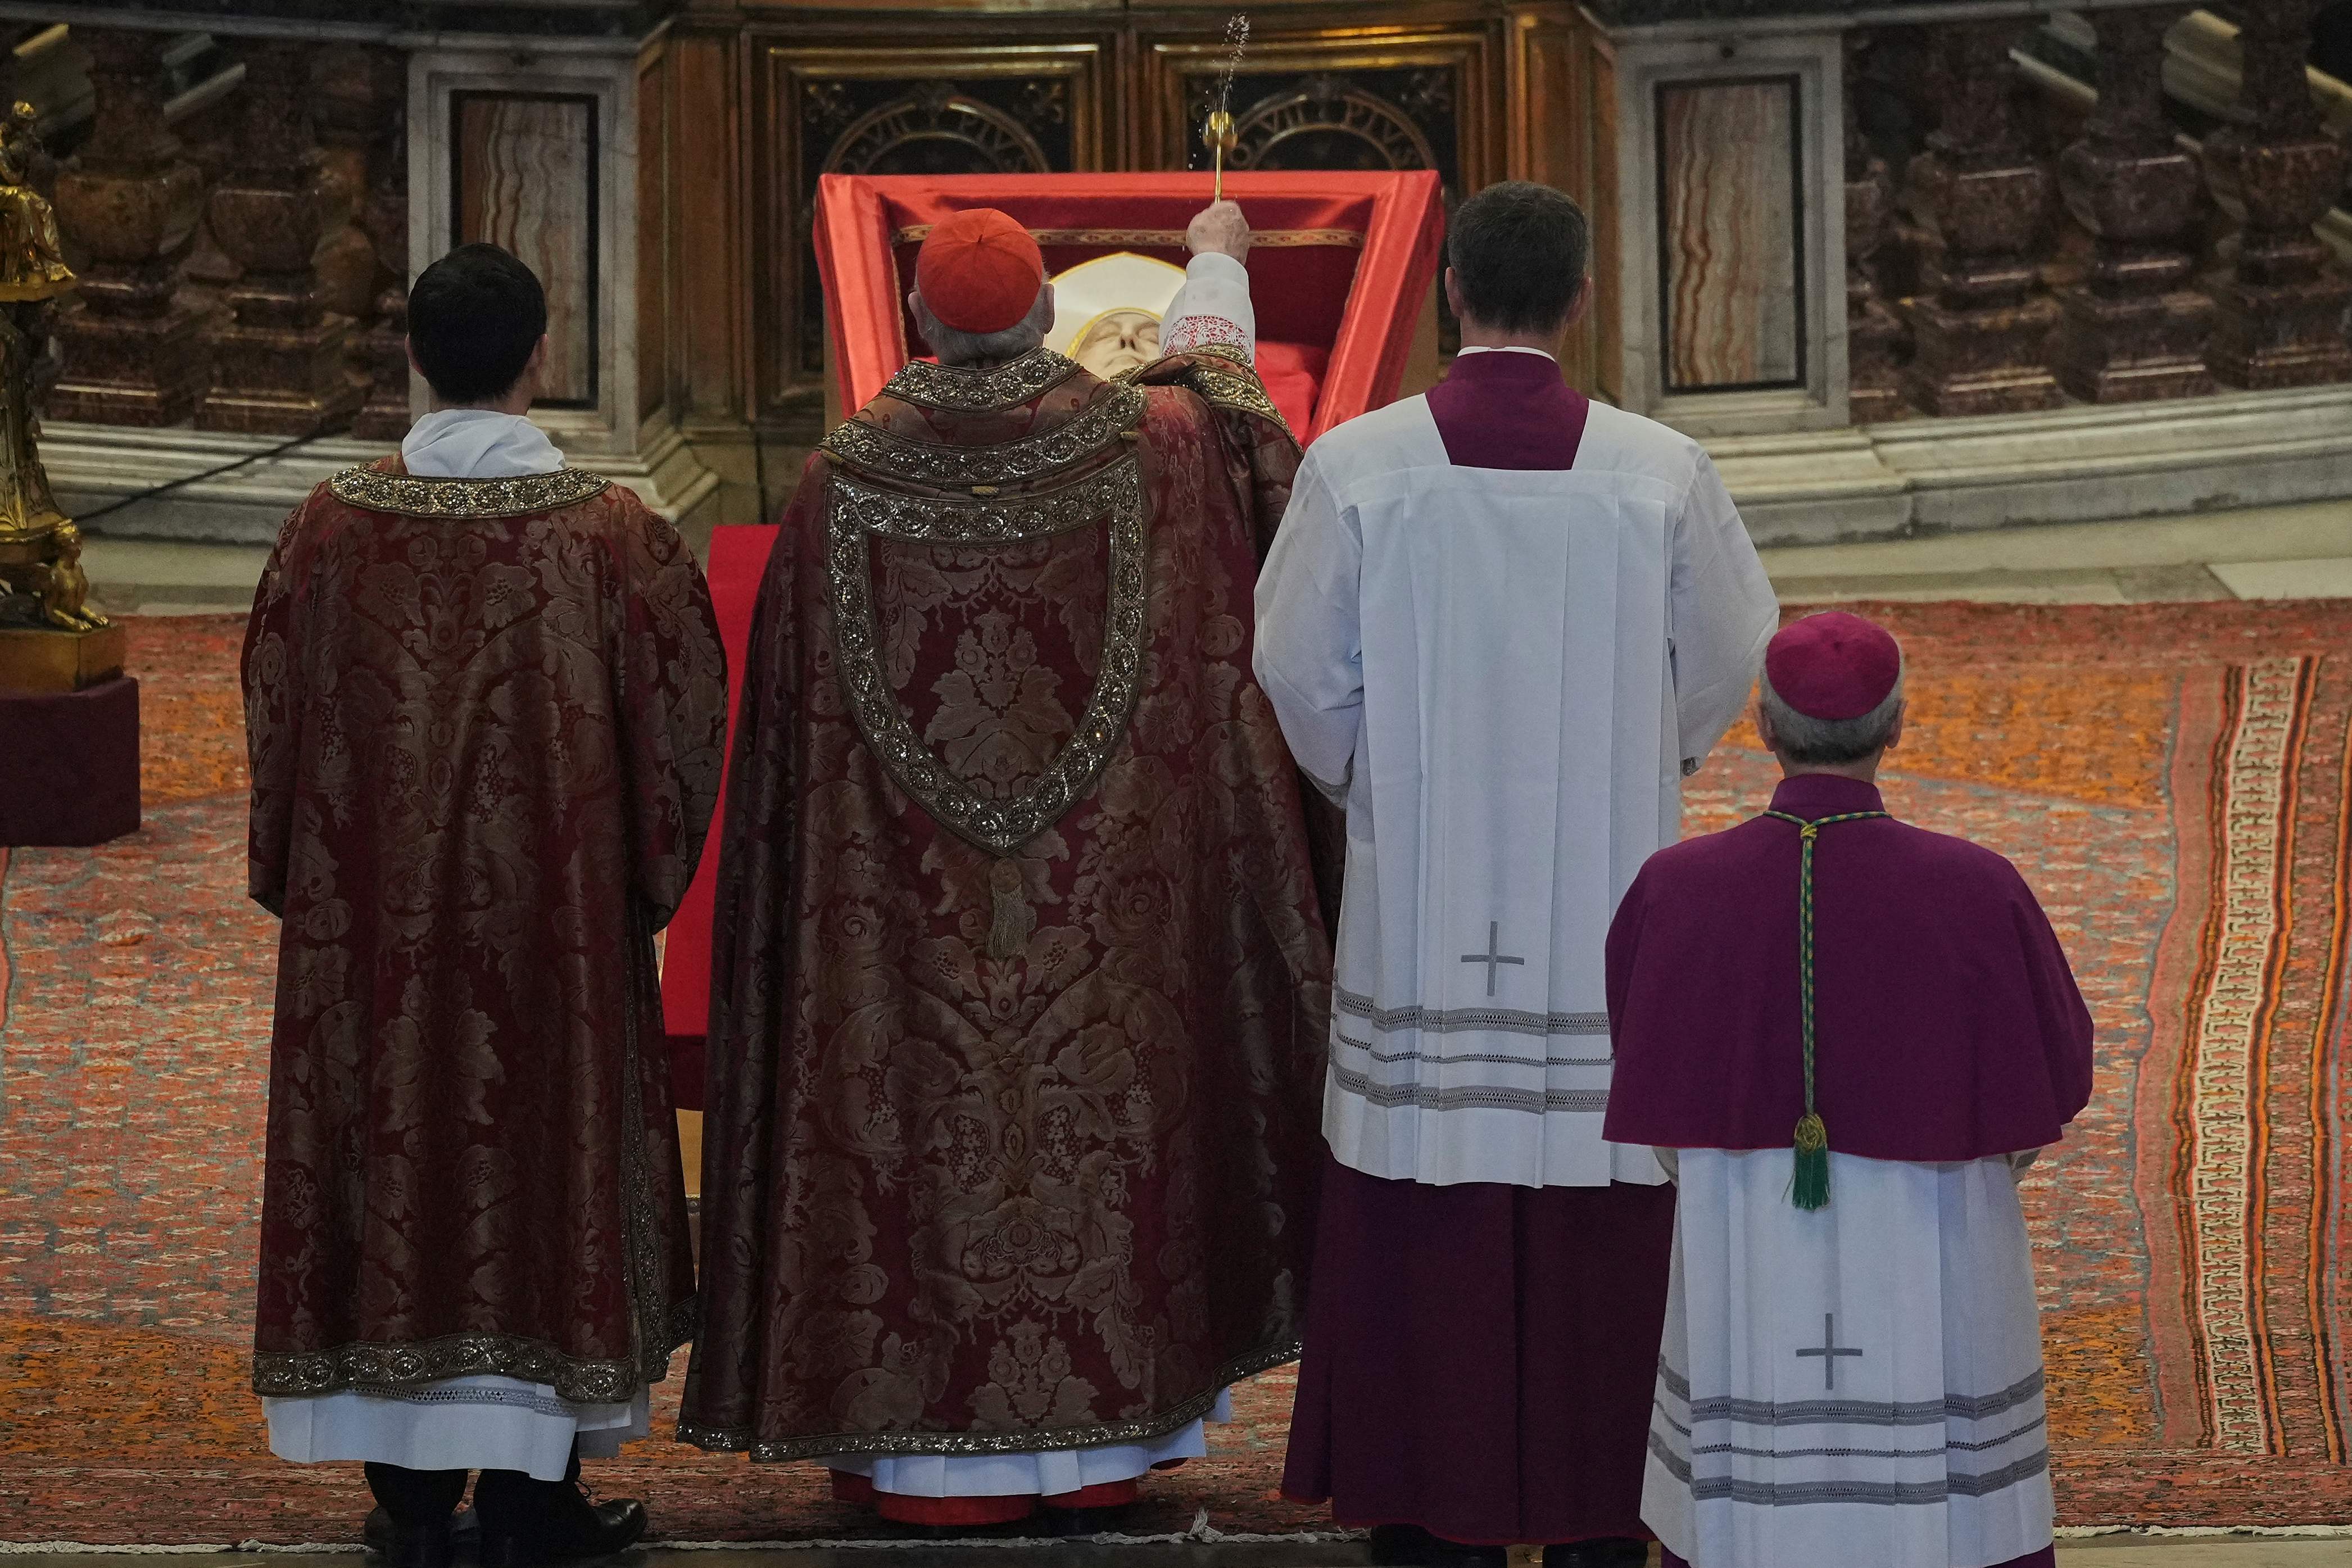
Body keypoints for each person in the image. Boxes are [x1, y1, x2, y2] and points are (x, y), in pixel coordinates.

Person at [677, 202, 1333, 1530]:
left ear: (920, 324)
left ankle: (920, 1453)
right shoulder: (1153, 449)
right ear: (1049, 317)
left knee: (922, 1103)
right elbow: (1231, 411)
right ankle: (1101, 1442)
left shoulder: (833, 483)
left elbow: (789, 768)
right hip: (1105, 918)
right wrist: (1214, 262)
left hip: (903, 930)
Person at [1256, 179, 1782, 1568]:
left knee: (1423, 1178)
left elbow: (1295, 670)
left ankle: (1427, 1517)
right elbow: (1735, 650)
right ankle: (1598, 1509)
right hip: (1601, 889)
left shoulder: (1355, 466)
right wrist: (1634, 756)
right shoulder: (1657, 470)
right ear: (1580, 301)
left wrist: (1376, 783)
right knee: (1594, 1173)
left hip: (1418, 896)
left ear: (1447, 291)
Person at [243, 242, 728, 1568]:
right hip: (552, 937)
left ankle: (406, 1495)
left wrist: (305, 874)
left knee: (392, 1154)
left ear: (411, 357)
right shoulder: (611, 536)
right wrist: (640, 880)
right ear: (541, 356)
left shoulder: (329, 528)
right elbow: (686, 724)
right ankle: (536, 1497)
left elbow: (274, 711)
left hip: (377, 939)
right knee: (545, 1167)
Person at [1605, 610, 2094, 1568]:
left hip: (1740, 1232)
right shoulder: (1977, 887)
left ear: (1761, 726)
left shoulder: (1675, 887)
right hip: (1934, 1230)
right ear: (1897, 727)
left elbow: (1645, 1070)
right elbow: (2055, 1072)